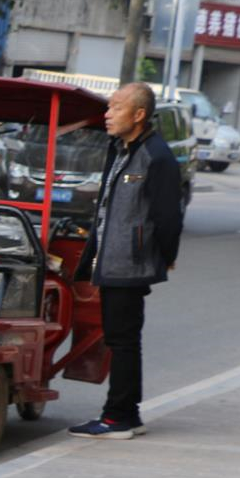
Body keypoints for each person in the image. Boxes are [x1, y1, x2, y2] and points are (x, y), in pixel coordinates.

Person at [70, 82, 183, 439]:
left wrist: (166, 256)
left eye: (116, 108)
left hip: (130, 264)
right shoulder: (120, 148)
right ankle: (126, 413)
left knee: (122, 341)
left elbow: (168, 215)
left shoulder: (157, 156)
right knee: (121, 339)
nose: (107, 113)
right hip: (111, 259)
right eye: (109, 106)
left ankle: (118, 416)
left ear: (139, 115)